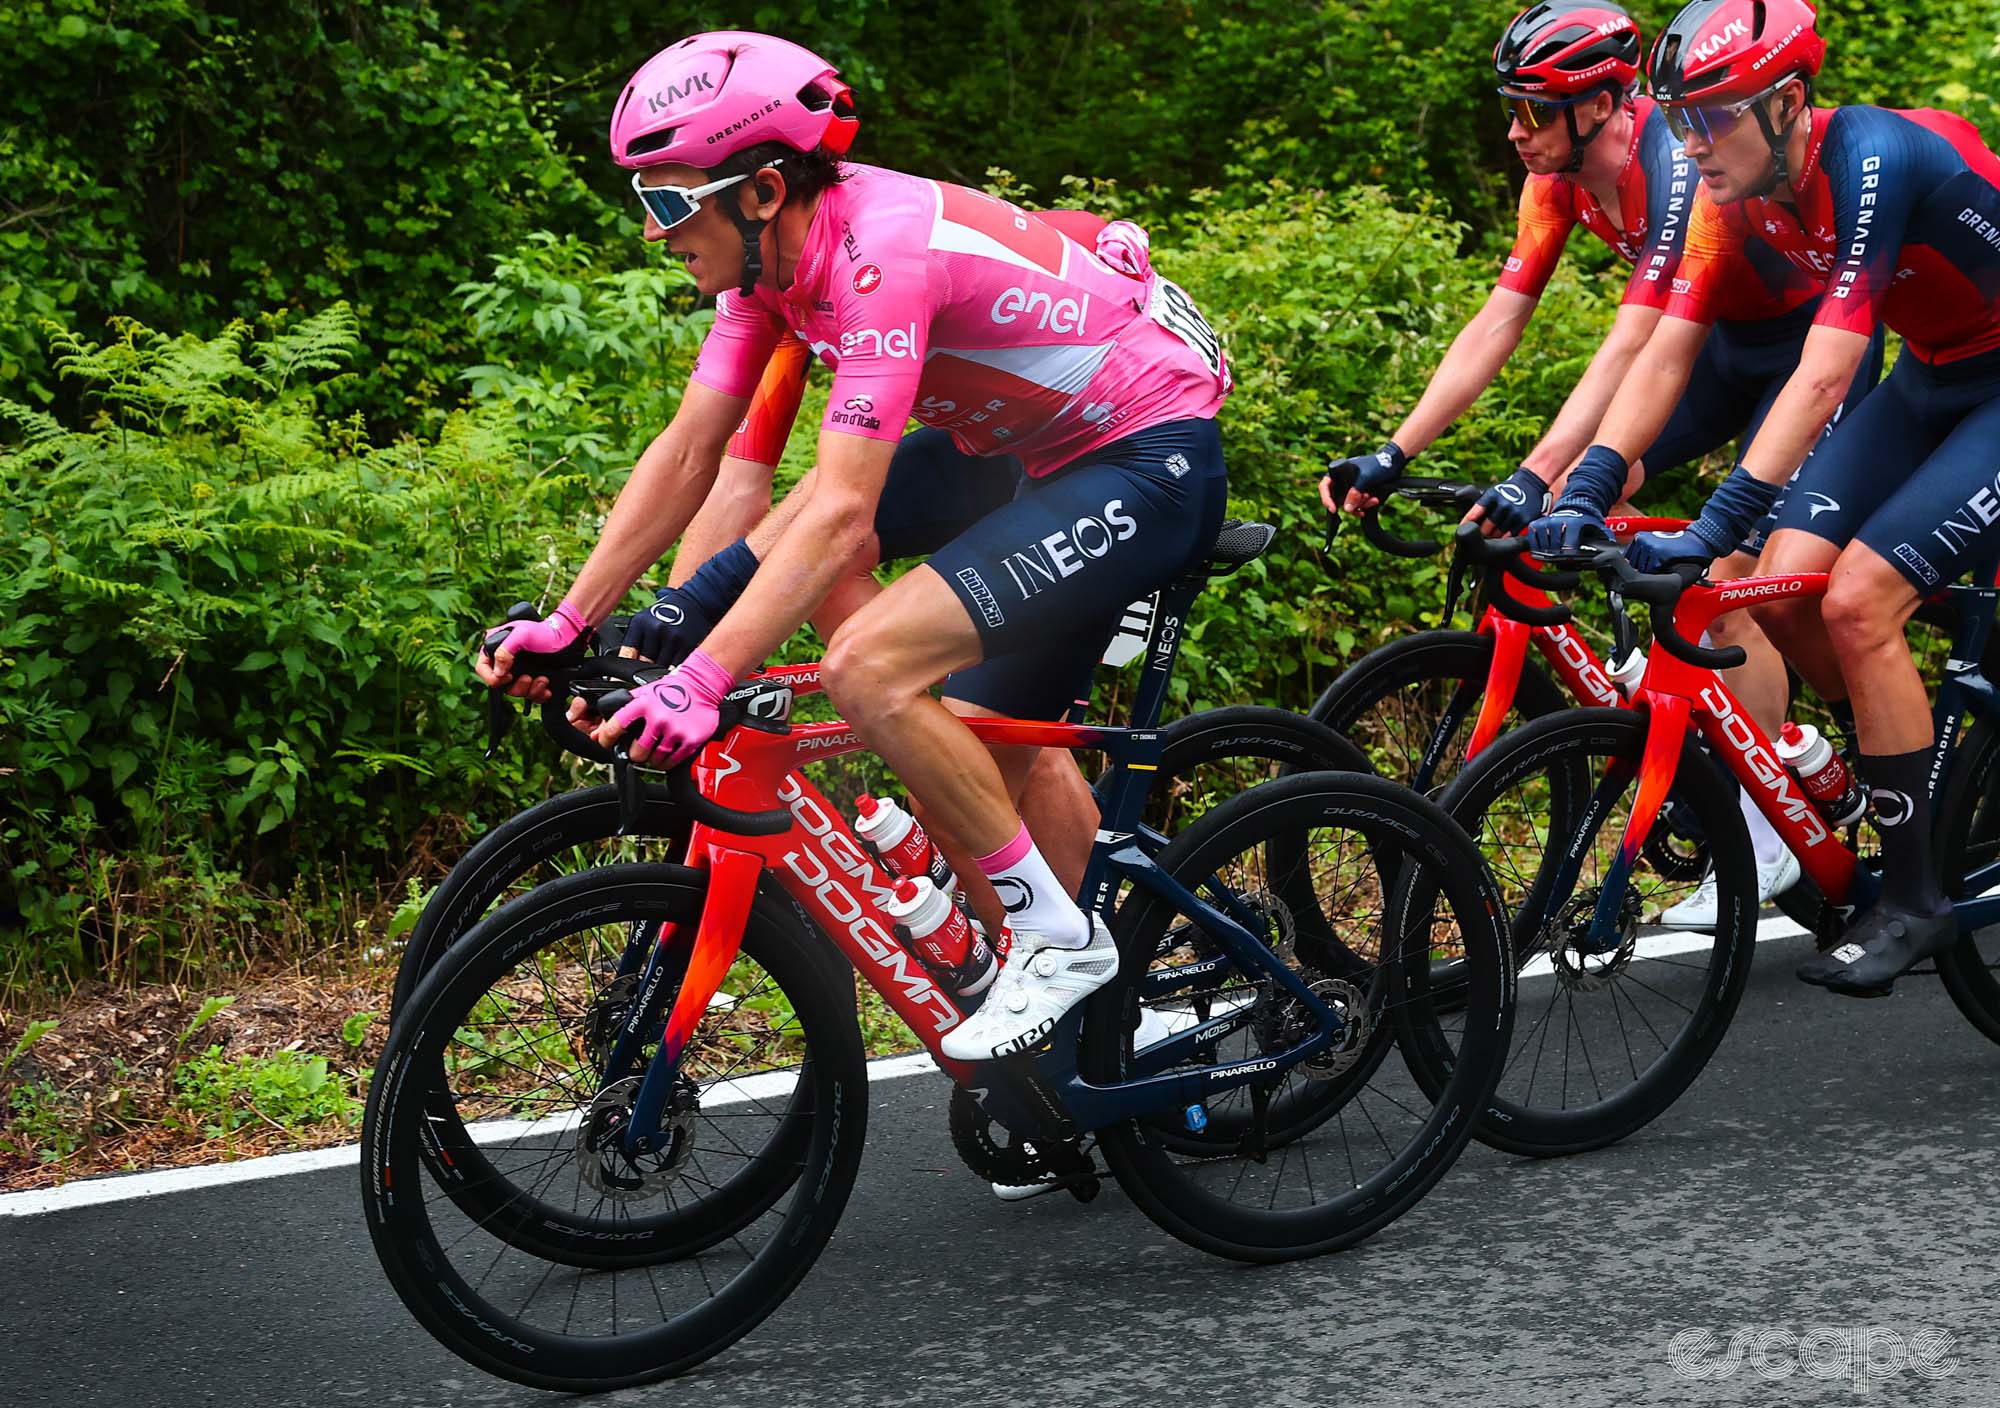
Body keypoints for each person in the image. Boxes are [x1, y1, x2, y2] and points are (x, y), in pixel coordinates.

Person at [477, 30, 1232, 1060]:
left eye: (668, 200)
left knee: (868, 667)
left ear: (762, 191)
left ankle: (1061, 942)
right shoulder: (765, 272)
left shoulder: (879, 256)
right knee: (964, 743)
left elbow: (841, 515)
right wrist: (579, 621)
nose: (655, 233)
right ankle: (1110, 1035)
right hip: (1022, 449)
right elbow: (694, 450)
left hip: (1142, 459)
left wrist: (699, 679)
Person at [1331, 0, 1883, 919]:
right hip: (1712, 353)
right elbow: (1499, 321)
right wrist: (1395, 451)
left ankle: (1780, 801)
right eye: (1510, 108)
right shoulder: (1553, 184)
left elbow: (1634, 346)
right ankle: (1677, 685)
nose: (1514, 131)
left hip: (1799, 353)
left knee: (1734, 563)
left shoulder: (1673, 164)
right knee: (1595, 499)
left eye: (1531, 111)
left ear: (1599, 105)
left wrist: (1540, 473)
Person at [1526, 0, 2000, 995]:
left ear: (1785, 103)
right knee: (1783, 591)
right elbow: (1665, 351)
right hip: (1932, 371)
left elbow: (1825, 372)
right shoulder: (1724, 185)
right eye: (1678, 118)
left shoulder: (1869, 154)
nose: (1686, 141)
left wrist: (1716, 522)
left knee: (1856, 600)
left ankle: (1912, 899)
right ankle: (1908, 764)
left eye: (1711, 116)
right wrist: (1588, 487)